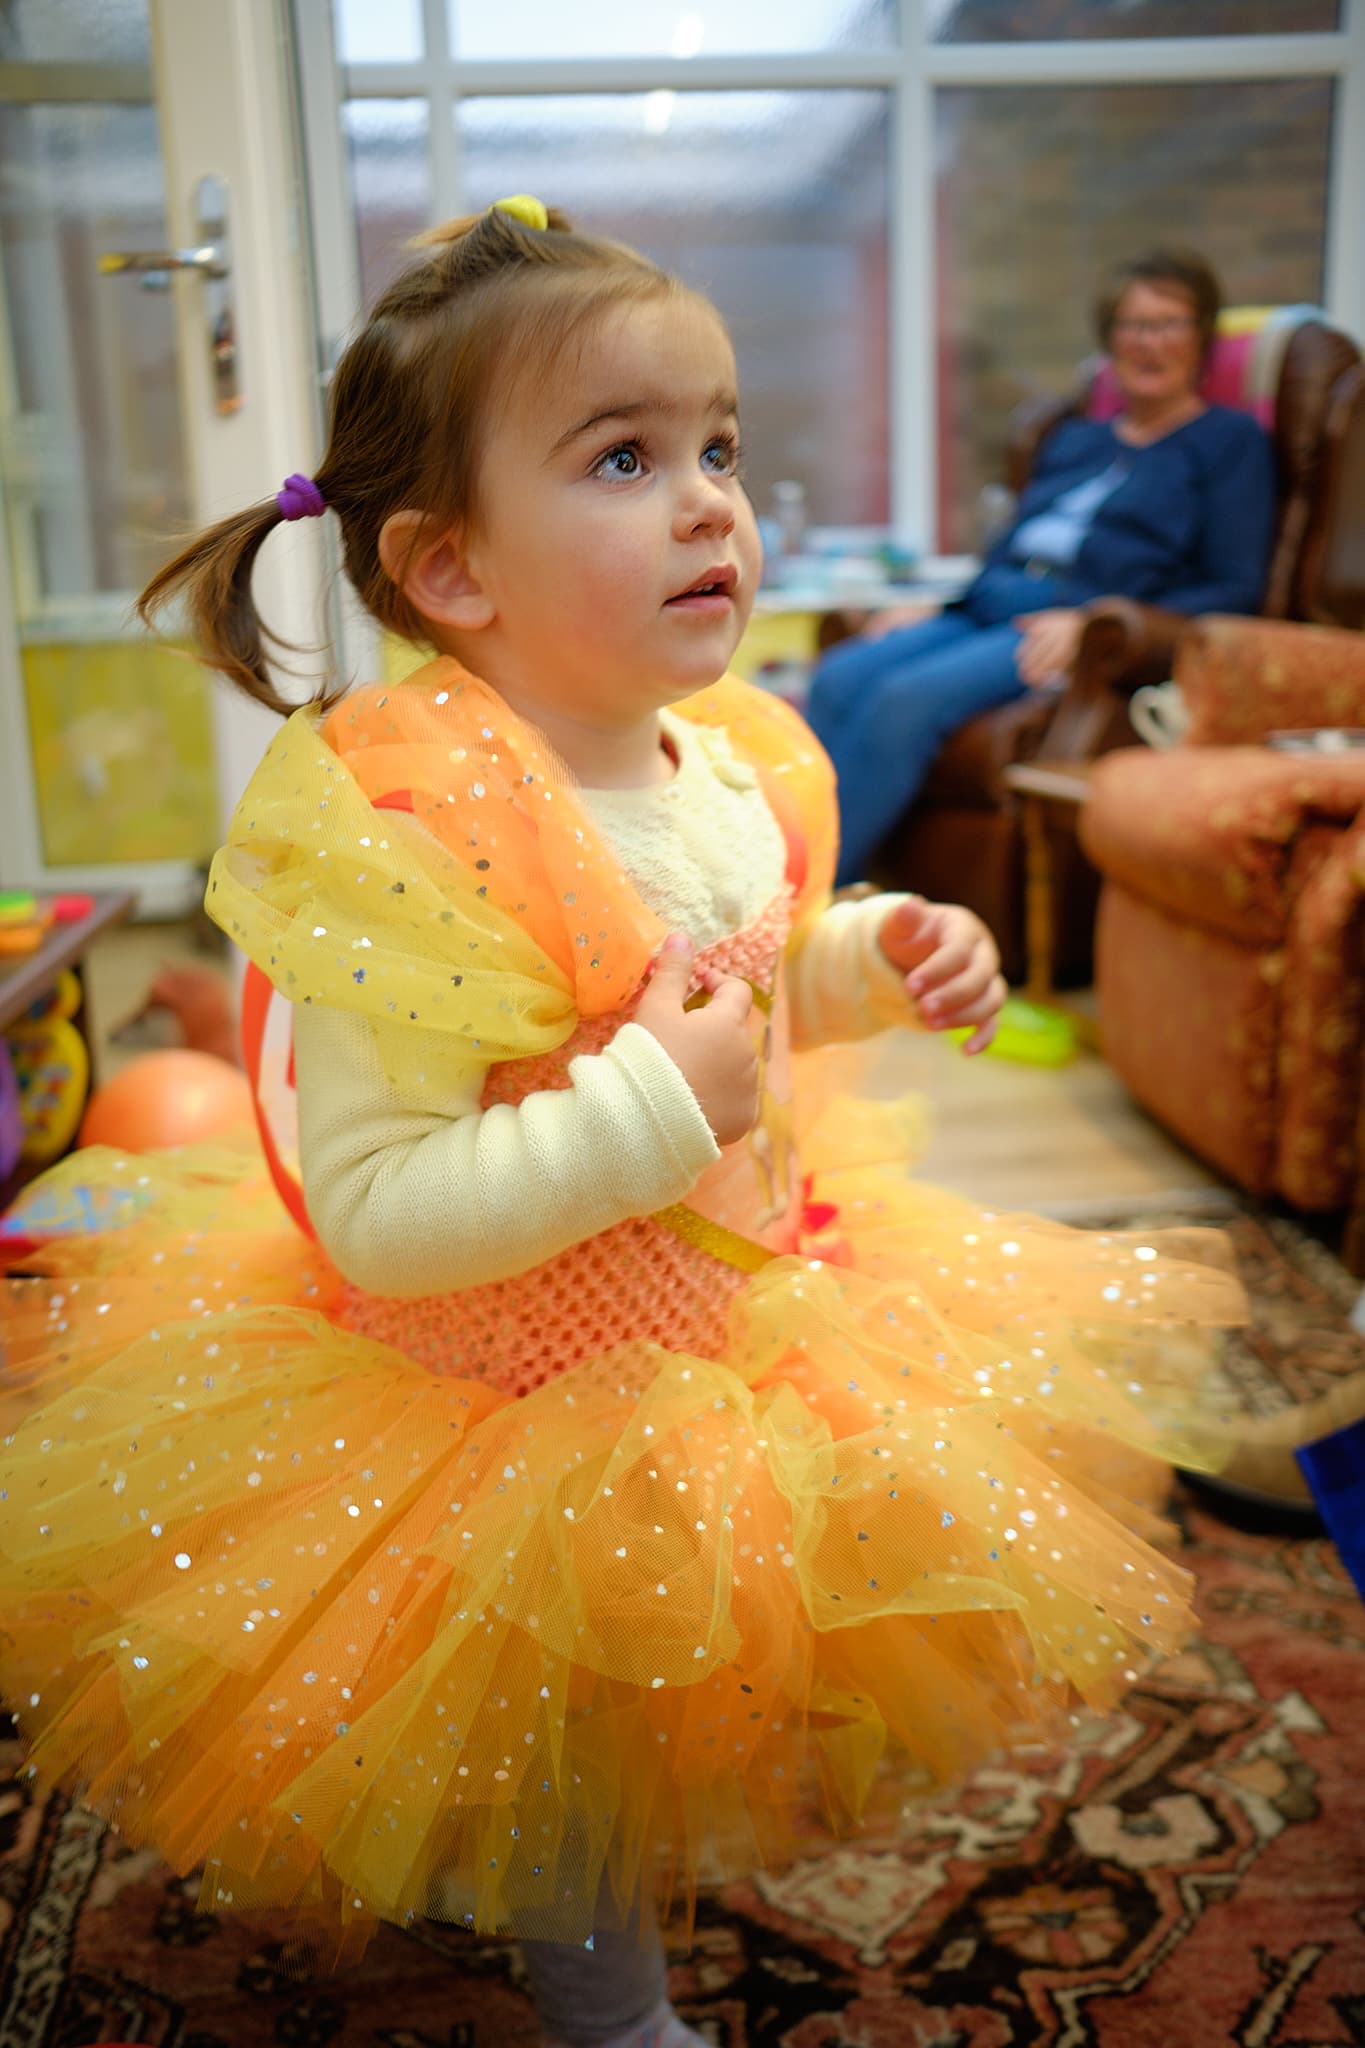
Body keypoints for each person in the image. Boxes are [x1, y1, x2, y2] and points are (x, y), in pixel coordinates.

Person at [0, 200, 1243, 2046]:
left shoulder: (725, 768)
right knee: (564, 1716)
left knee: (669, 1673)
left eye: (723, 445)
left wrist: (871, 955)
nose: (711, 501)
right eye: (626, 458)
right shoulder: (417, 841)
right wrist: (650, 1104)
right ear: (456, 569)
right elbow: (375, 1211)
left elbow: (754, 977)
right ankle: (616, 2017)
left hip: (720, 1329)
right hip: (499, 1405)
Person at [807, 247, 1278, 886]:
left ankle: (807, 898)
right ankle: (786, 873)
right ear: (1110, 340)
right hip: (988, 604)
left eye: (1168, 324)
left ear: (1202, 341)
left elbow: (1234, 588)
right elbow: (1009, 545)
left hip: (1063, 626)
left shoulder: (1229, 444)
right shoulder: (1074, 439)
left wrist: (1091, 623)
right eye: (1131, 325)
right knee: (838, 675)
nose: (1147, 342)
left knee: (903, 700)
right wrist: (935, 603)